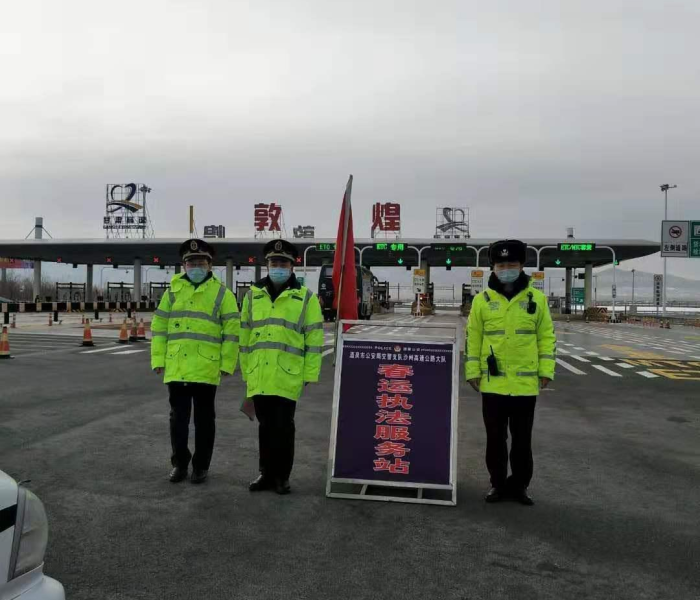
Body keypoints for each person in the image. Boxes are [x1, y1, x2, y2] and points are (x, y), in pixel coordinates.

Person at [465, 239, 556, 505]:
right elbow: (473, 338)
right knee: (495, 439)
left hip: (525, 386)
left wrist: (546, 370)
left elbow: (546, 337)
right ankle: (497, 484)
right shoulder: (482, 301)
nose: (506, 269)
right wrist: (472, 371)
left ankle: (519, 486)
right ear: (493, 267)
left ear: (522, 265)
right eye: (501, 265)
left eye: (511, 264)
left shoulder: (537, 299)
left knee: (522, 440)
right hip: (492, 384)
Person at [151, 238, 240, 484]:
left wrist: (227, 363)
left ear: (210, 265)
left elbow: (232, 331)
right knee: (177, 420)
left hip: (206, 367)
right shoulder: (172, 292)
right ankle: (180, 464)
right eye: (191, 263)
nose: (196, 267)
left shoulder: (222, 293)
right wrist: (158, 358)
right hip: (177, 366)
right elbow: (159, 326)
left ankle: (201, 466)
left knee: (204, 421)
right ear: (184, 265)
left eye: (201, 263)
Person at [240, 239, 324, 495]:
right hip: (259, 372)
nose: (278, 267)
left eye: (283, 263)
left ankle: (282, 476)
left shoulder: (305, 298)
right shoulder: (253, 295)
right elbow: (245, 335)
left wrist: (310, 374)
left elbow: (314, 339)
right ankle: (265, 473)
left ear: (291, 266)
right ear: (267, 265)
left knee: (284, 427)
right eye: (274, 263)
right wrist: (246, 370)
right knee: (265, 426)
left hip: (289, 374)